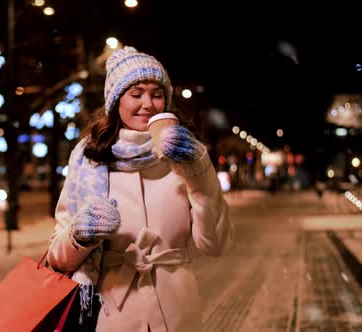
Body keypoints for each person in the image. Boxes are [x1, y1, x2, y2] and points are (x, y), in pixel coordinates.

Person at [46, 46, 234, 331]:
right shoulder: (90, 160)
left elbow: (217, 244)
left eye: (157, 94)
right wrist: (79, 235)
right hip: (111, 314)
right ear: (116, 102)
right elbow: (56, 258)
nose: (148, 103)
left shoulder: (186, 157)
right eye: (136, 94)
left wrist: (199, 169)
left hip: (177, 313)